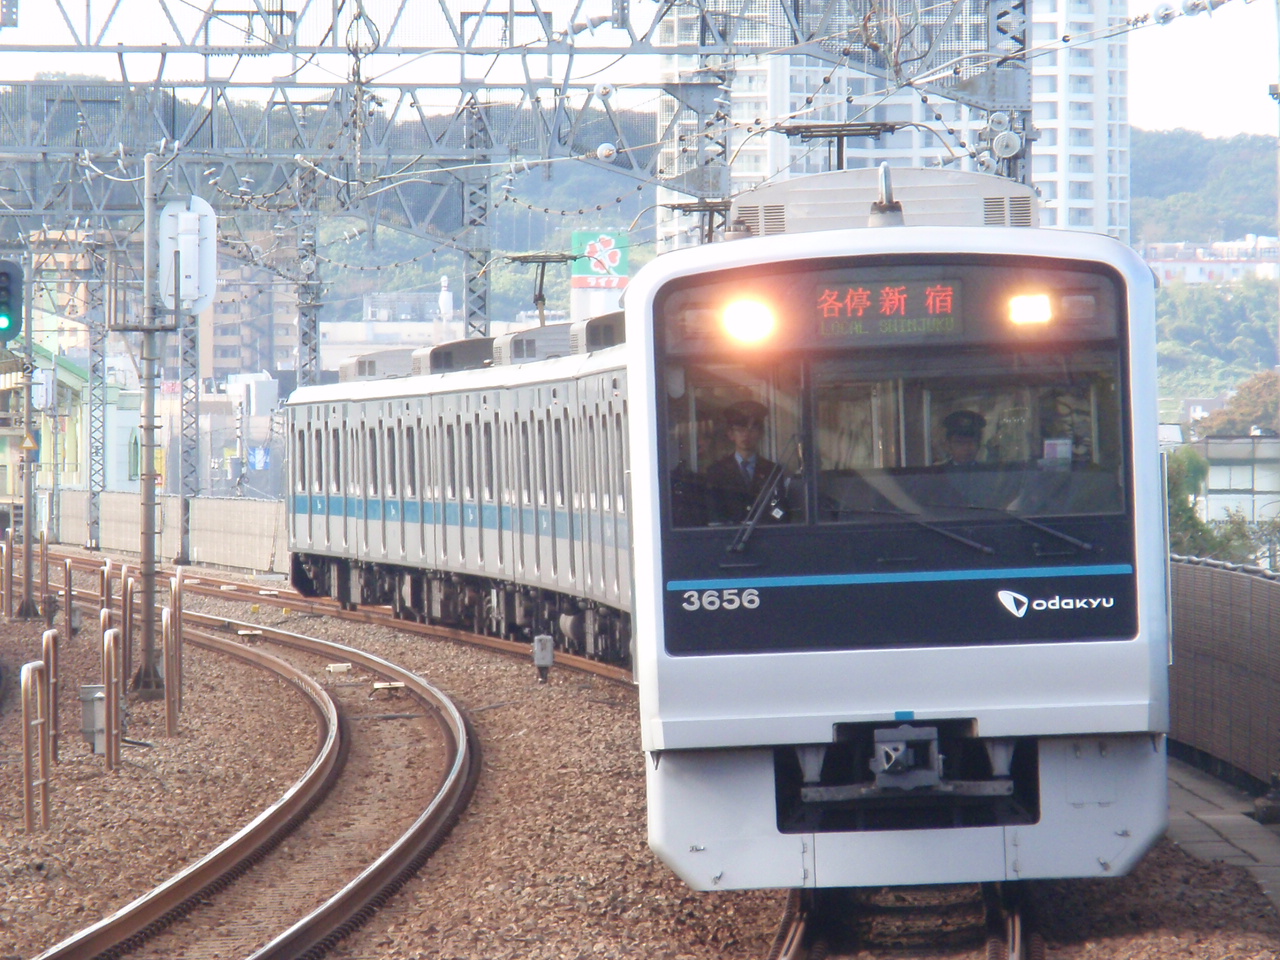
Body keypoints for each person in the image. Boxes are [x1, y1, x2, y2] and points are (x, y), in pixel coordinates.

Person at [705, 399, 787, 523]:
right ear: (731, 434)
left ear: (760, 433)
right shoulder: (717, 472)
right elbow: (714, 513)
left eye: (752, 429)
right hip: (731, 538)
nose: (746, 435)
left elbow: (779, 509)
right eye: (740, 430)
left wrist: (772, 521)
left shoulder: (773, 471)